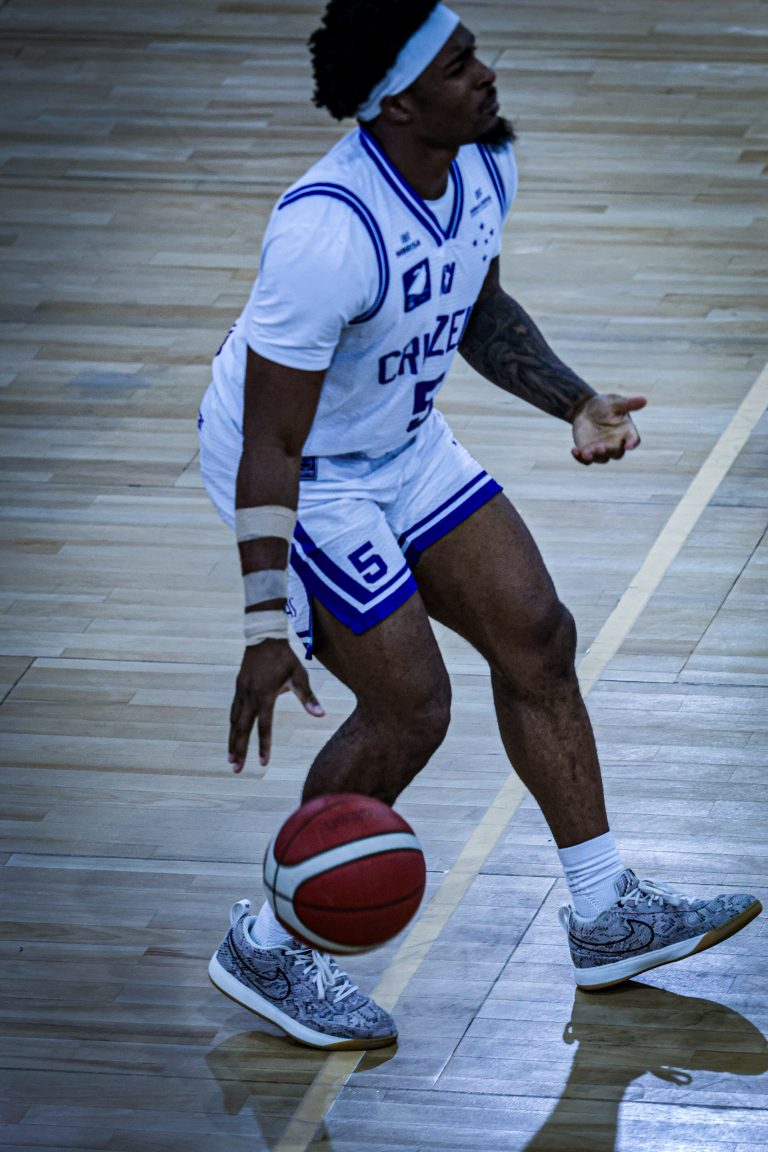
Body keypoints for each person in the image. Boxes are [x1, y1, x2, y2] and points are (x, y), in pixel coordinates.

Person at [197, 0, 761, 1050]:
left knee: (536, 634)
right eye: (458, 66)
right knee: (411, 706)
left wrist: (574, 400)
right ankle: (271, 946)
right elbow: (268, 442)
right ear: (398, 104)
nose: (485, 74)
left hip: (399, 437)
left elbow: (476, 305)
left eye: (475, 52)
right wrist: (264, 621)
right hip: (306, 468)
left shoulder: (484, 159)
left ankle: (605, 912)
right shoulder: (325, 231)